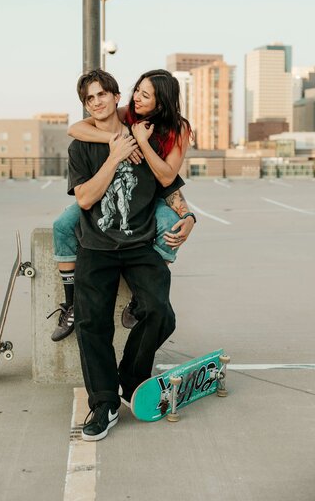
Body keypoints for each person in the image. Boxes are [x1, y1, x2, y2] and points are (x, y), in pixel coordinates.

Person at [68, 68, 194, 441]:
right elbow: (86, 198)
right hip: (96, 247)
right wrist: (114, 154)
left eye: (102, 94)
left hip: (140, 245)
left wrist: (189, 216)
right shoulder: (81, 146)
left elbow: (168, 186)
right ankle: (104, 404)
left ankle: (131, 380)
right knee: (91, 324)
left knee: (160, 313)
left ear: (116, 96)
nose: (97, 102)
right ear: (86, 105)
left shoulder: (146, 135)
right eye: (89, 99)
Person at [49, 69, 195, 341]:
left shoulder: (178, 129)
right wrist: (119, 141)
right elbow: (76, 128)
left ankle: (143, 297)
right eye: (137, 89)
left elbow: (167, 179)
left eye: (145, 94)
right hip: (114, 192)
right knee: (63, 225)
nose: (136, 97)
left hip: (153, 194)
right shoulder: (129, 114)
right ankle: (70, 303)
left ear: (160, 102)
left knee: (170, 227)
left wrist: (188, 215)